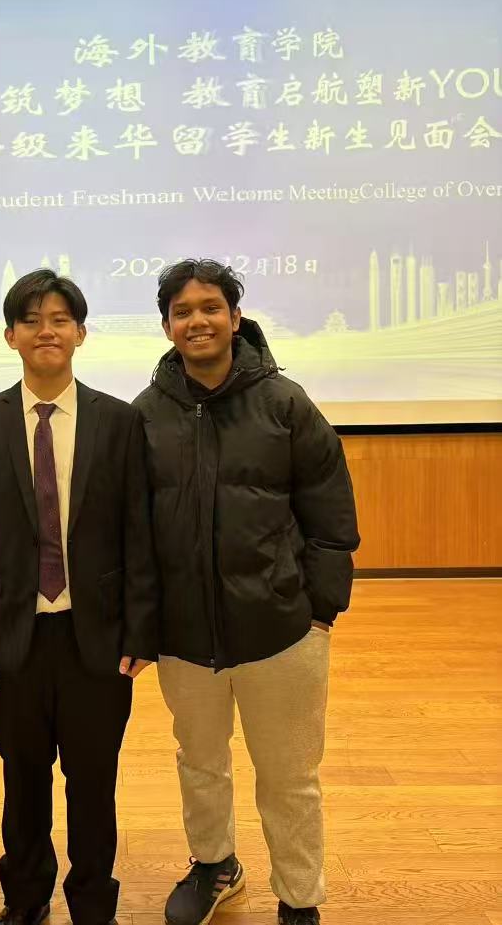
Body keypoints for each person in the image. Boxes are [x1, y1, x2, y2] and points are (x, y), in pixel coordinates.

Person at [132, 259, 360, 925]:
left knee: (290, 776)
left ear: (235, 317)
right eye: (181, 311)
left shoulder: (285, 402)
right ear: (167, 326)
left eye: (210, 307)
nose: (197, 320)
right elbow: (131, 529)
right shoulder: (145, 413)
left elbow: (331, 514)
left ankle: (298, 898)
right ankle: (215, 864)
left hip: (281, 629)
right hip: (183, 635)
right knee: (200, 762)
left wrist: (319, 612)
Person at [0, 269, 159, 925]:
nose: (47, 330)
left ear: (81, 334)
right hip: (11, 641)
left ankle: (93, 903)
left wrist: (140, 632)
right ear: (10, 335)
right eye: (32, 320)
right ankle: (26, 898)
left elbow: (139, 534)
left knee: (93, 783)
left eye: (61, 319)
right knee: (23, 780)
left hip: (96, 639)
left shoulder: (118, 421)